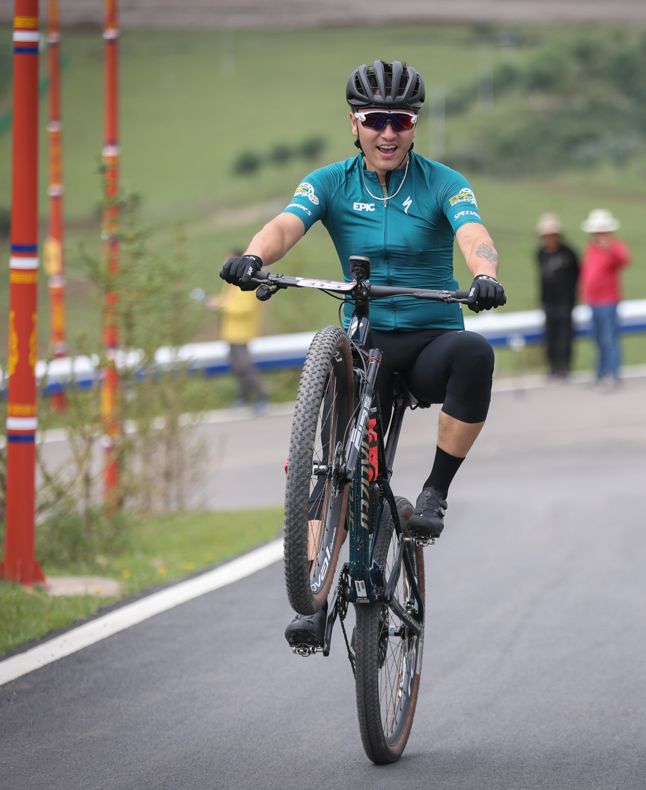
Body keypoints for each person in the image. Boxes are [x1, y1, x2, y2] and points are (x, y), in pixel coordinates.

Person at [219, 60, 506, 648]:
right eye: (375, 120)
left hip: (429, 342)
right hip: (363, 342)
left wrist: (484, 273)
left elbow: (474, 233)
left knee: (475, 353)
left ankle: (434, 494)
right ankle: (314, 600)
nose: (387, 132)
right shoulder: (329, 181)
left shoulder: (443, 181)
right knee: (331, 471)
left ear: (414, 126)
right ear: (355, 124)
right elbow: (285, 224)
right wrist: (254, 257)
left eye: (399, 120)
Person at [207, 248, 267, 414]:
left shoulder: (248, 282)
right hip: (230, 331)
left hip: (241, 332)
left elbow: (244, 308)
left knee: (245, 366)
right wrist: (216, 302)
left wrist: (220, 305)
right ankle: (243, 398)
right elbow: (228, 302)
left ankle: (262, 397)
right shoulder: (231, 284)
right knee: (238, 367)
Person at [578, 209, 630, 390]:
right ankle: (600, 373)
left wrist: (610, 248)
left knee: (609, 338)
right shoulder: (591, 247)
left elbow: (625, 261)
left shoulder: (615, 245)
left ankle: (614, 375)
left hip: (608, 299)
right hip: (594, 300)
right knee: (598, 338)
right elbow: (587, 271)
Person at [535, 212, 579, 380]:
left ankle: (565, 366)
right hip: (548, 301)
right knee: (550, 335)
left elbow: (576, 274)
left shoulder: (568, 252)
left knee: (565, 336)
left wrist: (571, 296)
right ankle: (552, 366)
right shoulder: (541, 253)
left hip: (565, 302)